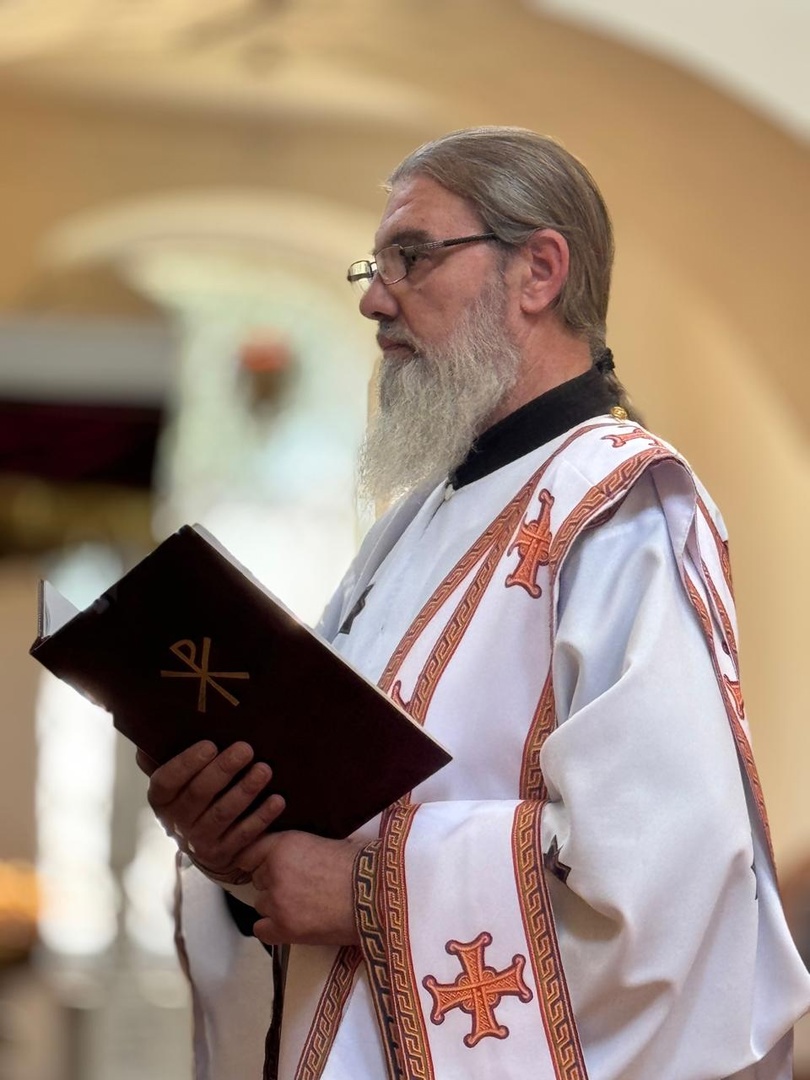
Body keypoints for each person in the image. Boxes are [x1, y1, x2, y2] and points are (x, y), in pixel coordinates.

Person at [138, 127, 810, 1080]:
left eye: (411, 256)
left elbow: (662, 872)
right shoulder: (413, 525)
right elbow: (323, 821)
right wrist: (234, 850)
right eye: (375, 265)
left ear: (538, 271)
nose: (375, 299)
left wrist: (369, 893)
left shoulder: (620, 508)